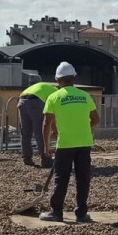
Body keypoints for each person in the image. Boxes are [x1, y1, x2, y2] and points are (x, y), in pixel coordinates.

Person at [40, 62, 99, 223]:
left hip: (65, 144)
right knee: (83, 179)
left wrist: (46, 147)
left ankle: (56, 212)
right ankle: (81, 214)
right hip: (84, 143)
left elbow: (46, 124)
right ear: (73, 78)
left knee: (61, 179)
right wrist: (81, 127)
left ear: (58, 80)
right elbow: (96, 119)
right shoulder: (85, 96)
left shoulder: (54, 97)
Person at [17, 79, 57, 166]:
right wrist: (55, 129)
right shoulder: (57, 92)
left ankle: (27, 158)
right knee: (40, 132)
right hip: (36, 102)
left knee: (25, 133)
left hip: (22, 101)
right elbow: (52, 116)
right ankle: (46, 159)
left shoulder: (45, 87)